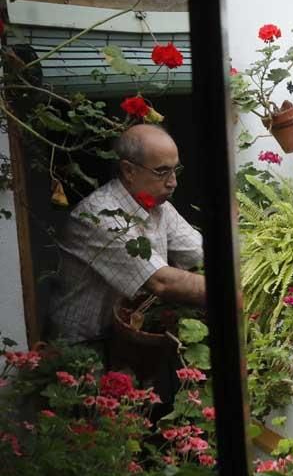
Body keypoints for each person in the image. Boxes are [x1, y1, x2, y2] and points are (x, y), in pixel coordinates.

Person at [49, 124, 205, 347]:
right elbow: (160, 282)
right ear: (129, 171)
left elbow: (200, 254)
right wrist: (231, 291)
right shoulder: (98, 215)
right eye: (162, 171)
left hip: (123, 337)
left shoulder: (161, 208)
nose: (173, 182)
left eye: (175, 170)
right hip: (82, 346)